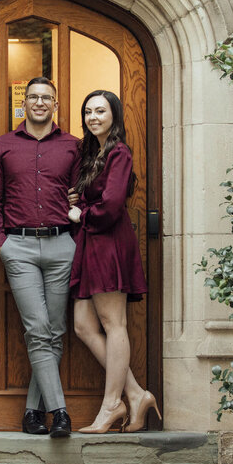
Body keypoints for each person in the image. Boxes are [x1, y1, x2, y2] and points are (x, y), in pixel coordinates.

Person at [0, 77, 80, 438]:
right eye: (34, 97)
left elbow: (85, 193)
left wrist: (77, 232)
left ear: (56, 104)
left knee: (55, 331)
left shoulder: (73, 146)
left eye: (47, 98)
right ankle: (59, 412)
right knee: (38, 330)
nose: (40, 103)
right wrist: (1, 242)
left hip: (61, 245)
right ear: (24, 104)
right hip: (18, 247)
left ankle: (31, 414)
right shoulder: (3, 146)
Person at [67, 90, 161, 433]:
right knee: (83, 325)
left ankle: (111, 405)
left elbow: (111, 205)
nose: (93, 117)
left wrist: (81, 211)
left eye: (100, 111)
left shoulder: (119, 152)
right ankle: (135, 394)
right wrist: (77, 198)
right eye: (88, 111)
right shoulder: (91, 152)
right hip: (91, 243)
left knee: (113, 323)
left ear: (114, 115)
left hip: (108, 242)